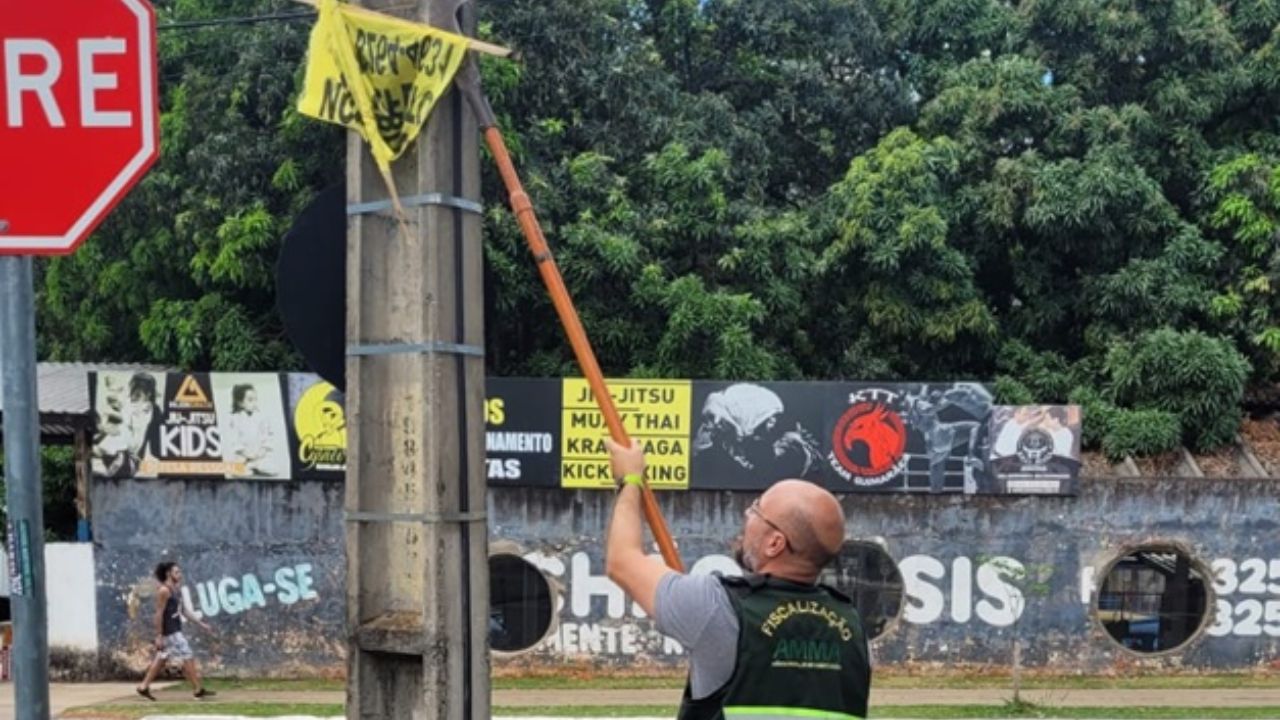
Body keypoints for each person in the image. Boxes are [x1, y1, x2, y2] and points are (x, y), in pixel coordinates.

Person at [603, 439, 871, 720]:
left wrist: (630, 479)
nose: (747, 514)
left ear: (775, 543)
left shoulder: (717, 608)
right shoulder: (854, 629)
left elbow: (622, 561)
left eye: (757, 509)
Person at [136, 562, 216, 701]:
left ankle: (143, 687)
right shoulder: (164, 591)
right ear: (168, 574)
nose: (180, 574)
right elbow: (159, 614)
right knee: (187, 655)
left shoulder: (176, 589)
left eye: (179, 572)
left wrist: (201, 624)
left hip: (174, 629)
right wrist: (159, 635)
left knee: (161, 658)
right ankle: (198, 689)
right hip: (171, 632)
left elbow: (183, 611)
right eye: (177, 572)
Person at [225, 384, 282, 477]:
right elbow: (234, 440)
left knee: (274, 469)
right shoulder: (234, 419)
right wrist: (247, 454)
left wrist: (263, 451)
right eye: (250, 400)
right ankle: (247, 467)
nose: (254, 403)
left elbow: (268, 435)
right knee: (236, 468)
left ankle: (254, 466)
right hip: (242, 455)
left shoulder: (262, 417)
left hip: (259, 455)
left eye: (255, 399)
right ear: (240, 403)